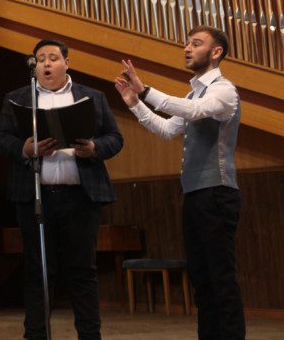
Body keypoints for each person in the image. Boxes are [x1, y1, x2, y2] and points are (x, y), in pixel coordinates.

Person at [115, 26, 244, 340]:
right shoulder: (191, 93)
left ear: (216, 52)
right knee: (201, 279)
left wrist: (146, 91)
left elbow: (196, 111)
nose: (187, 48)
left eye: (196, 43)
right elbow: (166, 130)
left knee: (221, 279)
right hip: (194, 195)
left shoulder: (224, 90)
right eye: (187, 43)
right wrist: (134, 103)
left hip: (217, 193)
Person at [0, 38, 123, 340]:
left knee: (83, 272)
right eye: (40, 59)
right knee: (38, 271)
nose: (46, 64)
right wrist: (26, 149)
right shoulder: (18, 99)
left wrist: (94, 148)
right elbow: (1, 139)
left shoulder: (92, 97)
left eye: (53, 58)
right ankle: (37, 335)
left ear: (67, 63)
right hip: (36, 199)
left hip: (81, 198)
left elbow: (115, 138)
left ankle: (89, 336)